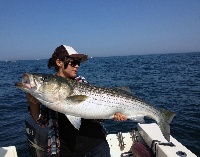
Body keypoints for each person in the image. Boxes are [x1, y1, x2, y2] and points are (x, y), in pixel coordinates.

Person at [26, 45, 127, 157]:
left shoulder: (82, 82)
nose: (77, 66)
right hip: (65, 151)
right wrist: (32, 103)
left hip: (96, 145)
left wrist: (114, 115)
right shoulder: (49, 87)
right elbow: (42, 122)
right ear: (59, 62)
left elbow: (98, 115)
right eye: (73, 62)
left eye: (78, 62)